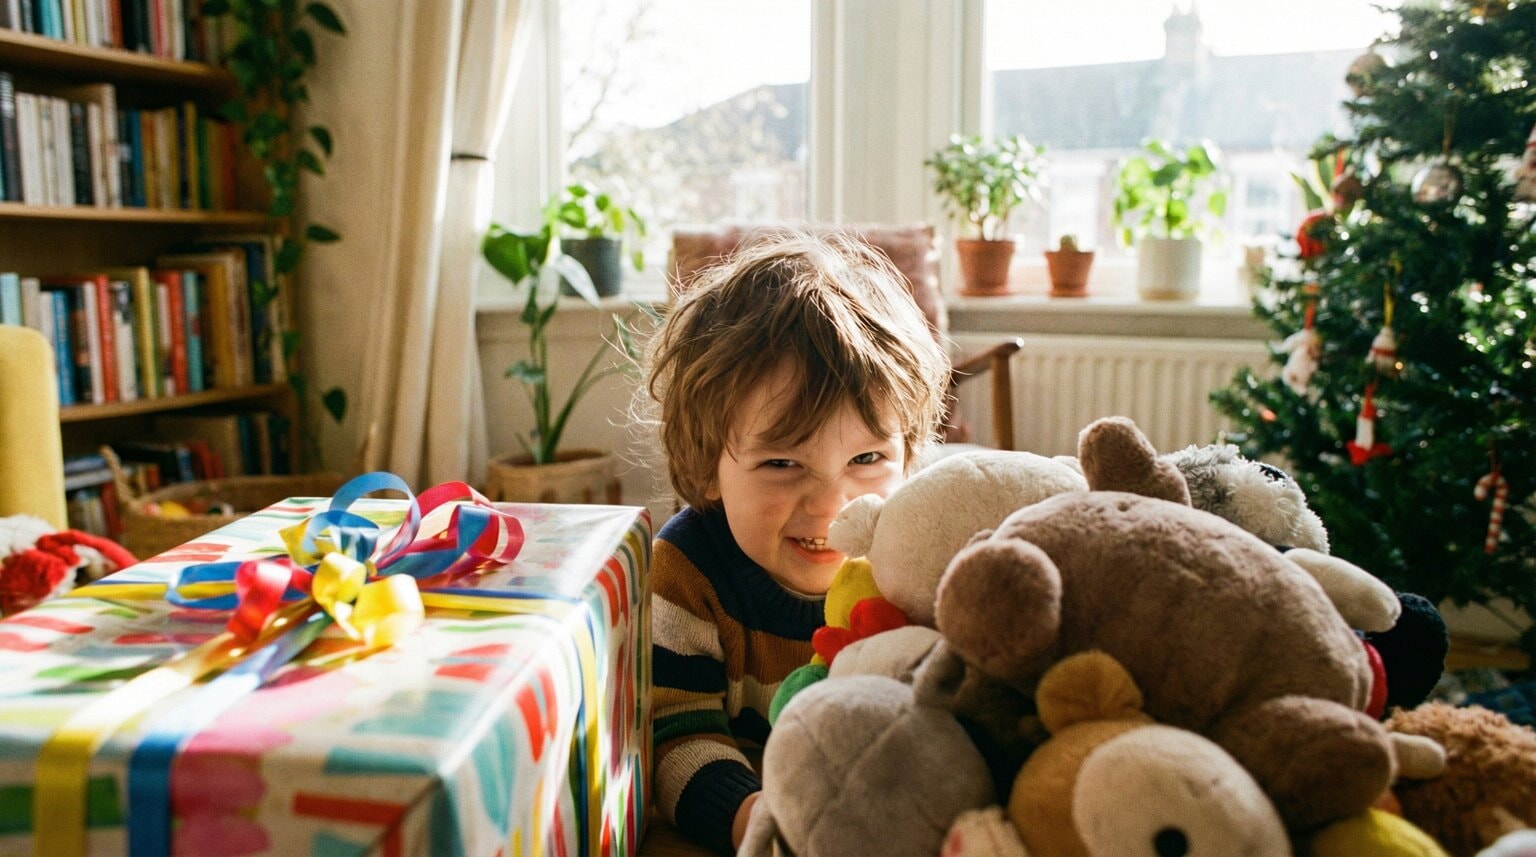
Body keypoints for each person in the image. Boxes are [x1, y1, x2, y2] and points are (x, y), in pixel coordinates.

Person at [641, 228, 951, 852]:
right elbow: (675, 735)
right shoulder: (686, 570)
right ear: (706, 468)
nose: (831, 506)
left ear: (909, 455)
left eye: (867, 457)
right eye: (783, 464)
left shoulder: (919, 563)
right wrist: (760, 818)